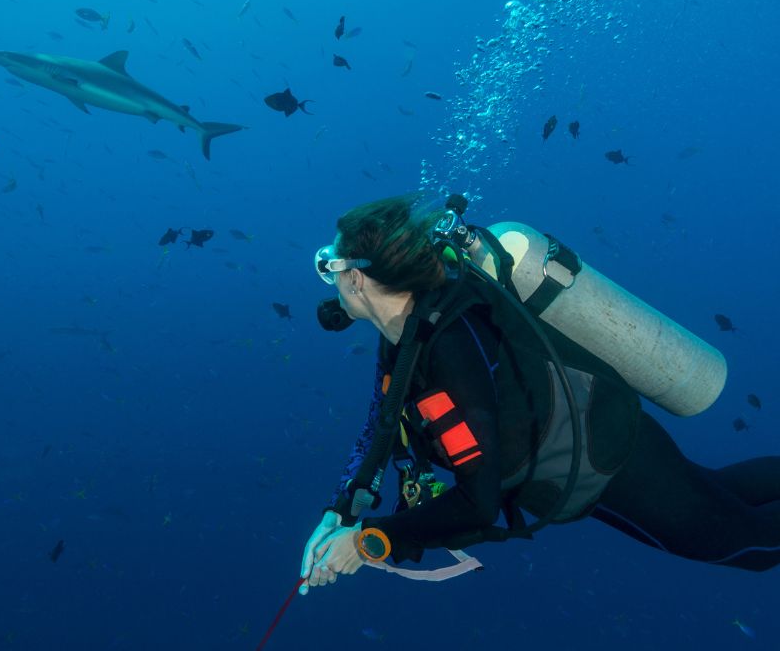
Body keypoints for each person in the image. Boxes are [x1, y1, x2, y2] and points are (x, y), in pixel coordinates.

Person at [299, 194, 780, 595]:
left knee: (750, 548)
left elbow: (479, 502)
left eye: (330, 267)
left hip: (604, 458)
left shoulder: (449, 349)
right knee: (721, 494)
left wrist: (368, 541)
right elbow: (380, 429)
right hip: (597, 441)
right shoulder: (403, 332)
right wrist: (338, 514)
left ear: (356, 278)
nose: (331, 282)